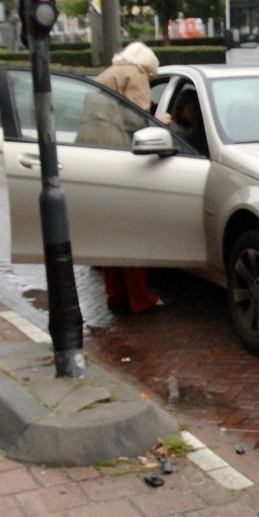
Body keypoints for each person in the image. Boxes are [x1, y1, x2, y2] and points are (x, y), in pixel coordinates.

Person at [86, 41, 166, 315]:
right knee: (131, 230)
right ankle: (139, 298)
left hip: (92, 152)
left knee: (111, 232)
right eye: (152, 74)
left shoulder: (109, 73)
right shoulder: (135, 73)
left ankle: (116, 295)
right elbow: (136, 119)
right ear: (147, 66)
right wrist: (160, 120)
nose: (150, 78)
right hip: (117, 153)